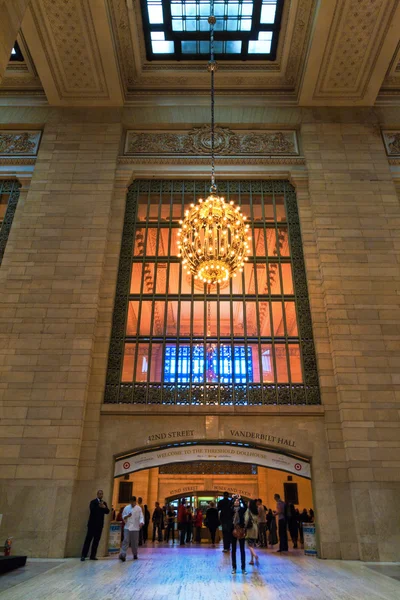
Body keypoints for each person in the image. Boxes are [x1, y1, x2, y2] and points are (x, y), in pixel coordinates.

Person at [81, 489, 110, 561]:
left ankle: (93, 555)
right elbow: (92, 510)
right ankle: (83, 555)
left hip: (99, 525)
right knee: (88, 540)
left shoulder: (104, 503)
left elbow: (107, 511)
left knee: (96, 541)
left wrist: (104, 507)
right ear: (97, 494)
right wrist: (99, 507)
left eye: (102, 494)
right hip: (92, 525)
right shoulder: (93, 502)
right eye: (99, 494)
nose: (101, 495)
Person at [119, 496, 144, 562]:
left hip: (135, 528)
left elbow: (141, 516)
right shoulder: (126, 508)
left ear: (135, 501)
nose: (132, 503)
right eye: (131, 502)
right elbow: (123, 516)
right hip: (127, 527)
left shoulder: (139, 508)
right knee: (126, 540)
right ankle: (123, 554)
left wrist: (141, 523)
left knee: (134, 542)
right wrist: (127, 516)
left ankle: (135, 554)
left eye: (133, 502)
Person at [230, 496, 247, 575]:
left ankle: (243, 568)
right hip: (233, 531)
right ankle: (234, 567)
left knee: (242, 550)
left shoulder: (242, 510)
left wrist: (241, 499)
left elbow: (246, 506)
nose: (236, 502)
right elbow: (228, 507)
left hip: (241, 530)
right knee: (233, 550)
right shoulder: (231, 510)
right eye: (235, 501)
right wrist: (232, 498)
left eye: (238, 501)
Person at [245, 499, 259, 566]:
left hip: (250, 528)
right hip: (255, 528)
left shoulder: (248, 510)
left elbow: (246, 520)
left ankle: (255, 555)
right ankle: (252, 560)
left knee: (249, 545)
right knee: (252, 545)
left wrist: (244, 526)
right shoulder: (256, 510)